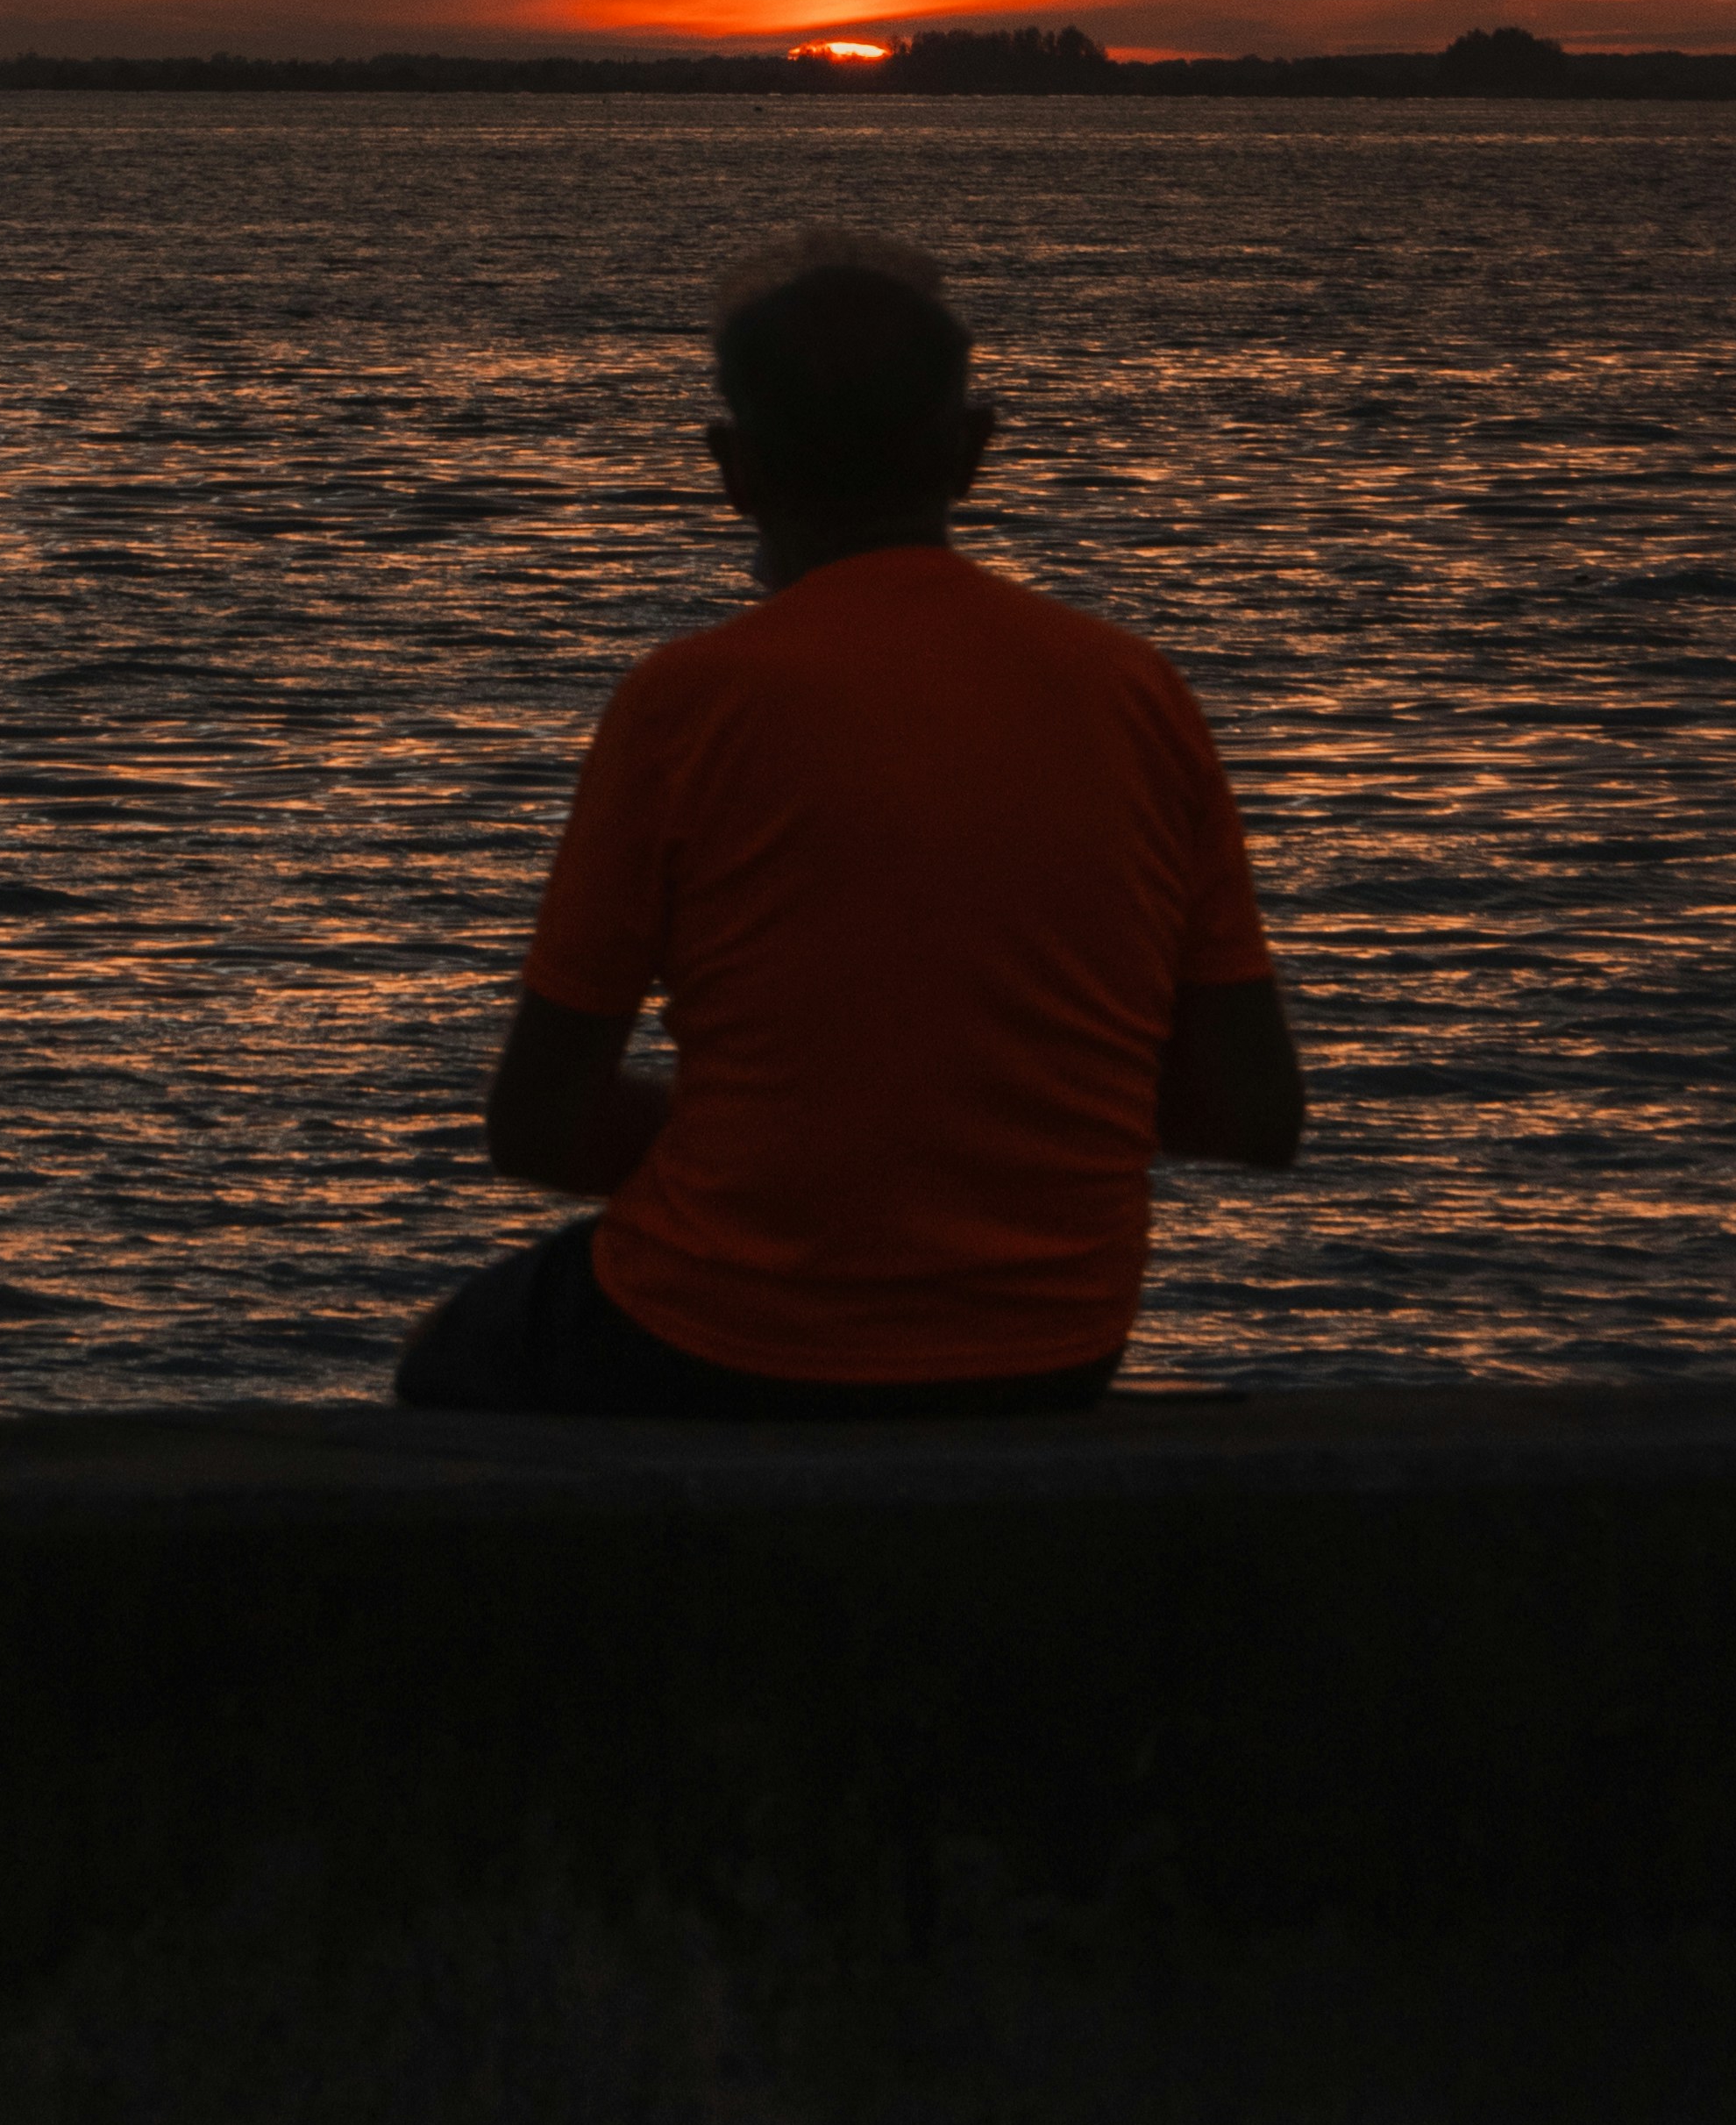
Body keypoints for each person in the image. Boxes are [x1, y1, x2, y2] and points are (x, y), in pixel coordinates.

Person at [394, 237, 1304, 1418]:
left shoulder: (687, 703)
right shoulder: (1135, 690)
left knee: (457, 1363)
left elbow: (538, 1122)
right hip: (1051, 1347)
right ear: (974, 450)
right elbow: (1254, 1111)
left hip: (728, 1337)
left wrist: (781, 1150)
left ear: (732, 470)